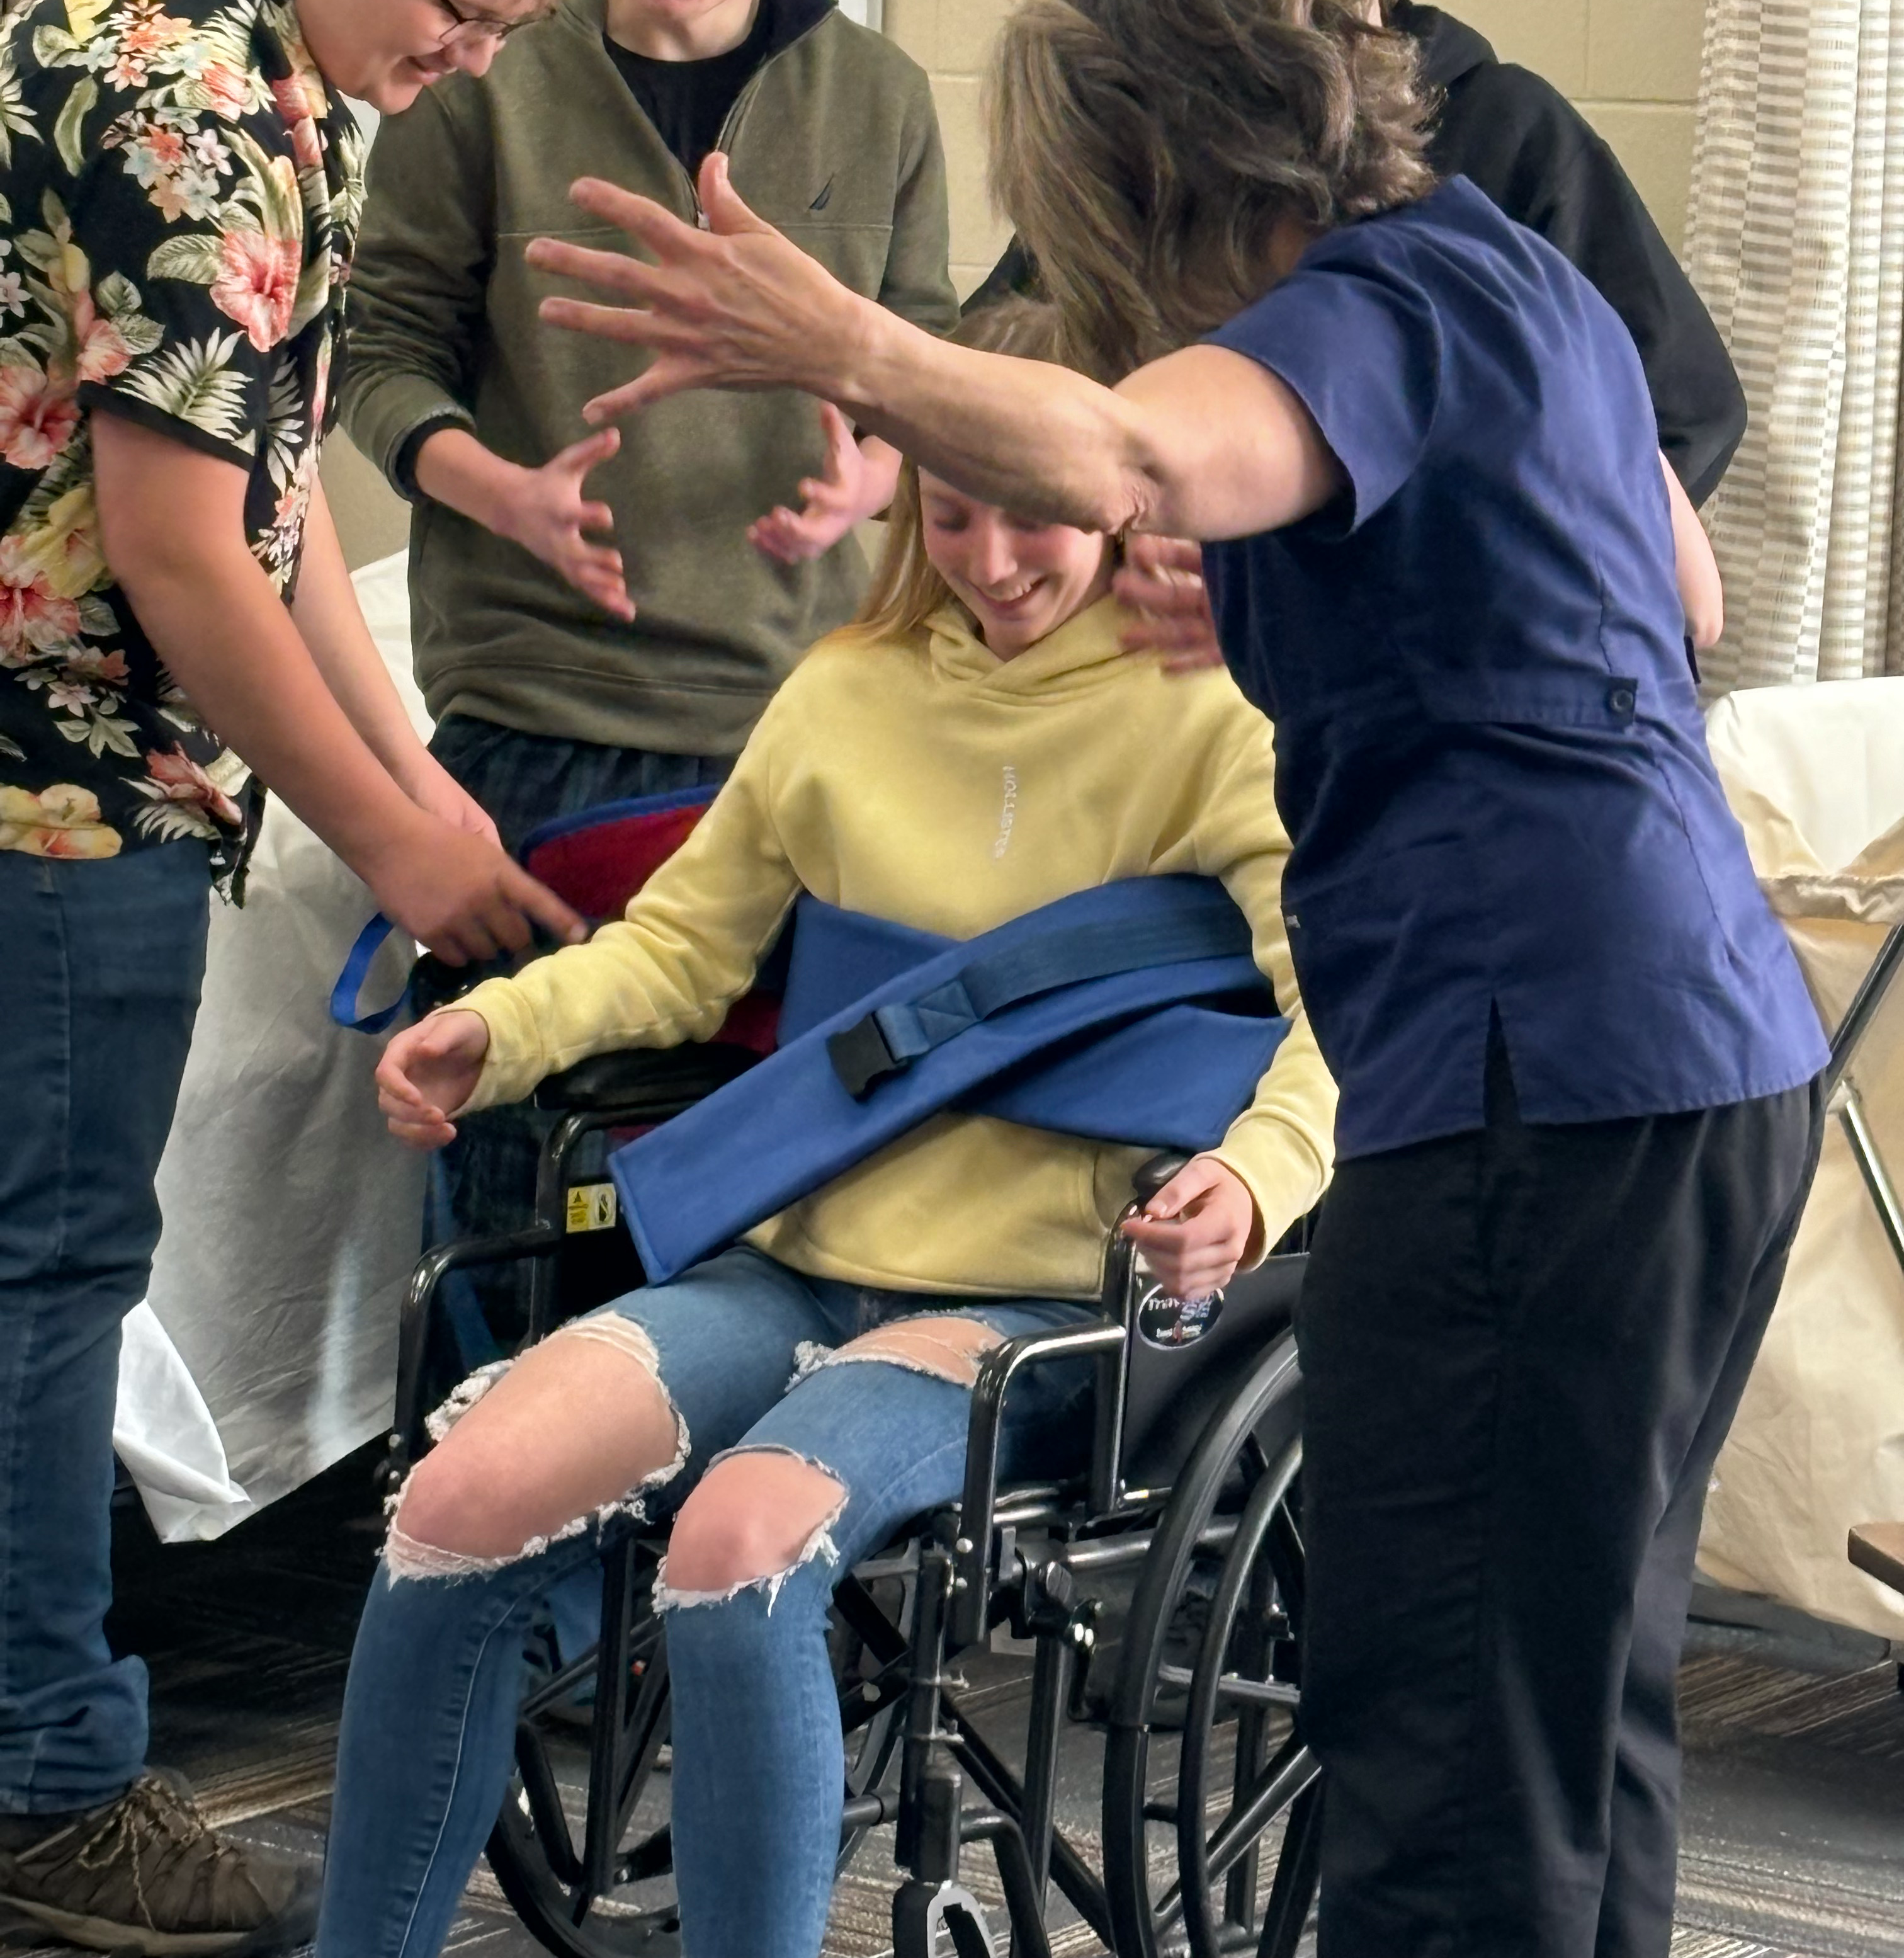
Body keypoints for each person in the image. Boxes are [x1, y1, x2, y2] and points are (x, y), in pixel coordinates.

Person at [526, 0, 1830, 1958]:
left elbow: (1131, 445)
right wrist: (1334, 582)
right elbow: (1668, 597)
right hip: (1711, 1058)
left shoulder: (1353, 307)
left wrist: (847, 346)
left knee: (1434, 1735)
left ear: (1138, 168)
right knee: (1574, 1714)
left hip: (1531, 1076)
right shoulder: (1512, 270)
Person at [312, 300, 1335, 1958]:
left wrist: (1256, 1175)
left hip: (1035, 1314)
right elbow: (678, 953)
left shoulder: (1223, 720)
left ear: (1122, 488)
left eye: (1038, 508)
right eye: (954, 506)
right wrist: (495, 1028)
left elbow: (1338, 1024)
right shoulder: (844, 693)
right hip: (794, 1263)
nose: (996, 557)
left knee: (735, 1549)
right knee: (457, 1498)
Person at [0, 0, 595, 1957]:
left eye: (503, 40)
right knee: (53, 1281)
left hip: (89, 751)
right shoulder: (192, 113)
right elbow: (173, 558)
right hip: (52, 772)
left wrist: (417, 784)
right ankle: (51, 1780)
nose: (460, 64)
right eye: (448, 12)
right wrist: (401, 846)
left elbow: (276, 504)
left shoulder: (252, 52)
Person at [339, 0, 956, 1323]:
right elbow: (377, 354)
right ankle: (487, 1530)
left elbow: (933, 363)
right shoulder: (483, 73)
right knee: (510, 1198)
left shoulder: (878, 99)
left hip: (788, 730)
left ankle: (667, 1536)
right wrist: (500, 491)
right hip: (538, 717)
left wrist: (879, 473)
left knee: (744, 1209)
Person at [973, 0, 1747, 510]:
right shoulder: (1158, 128)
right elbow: (1009, 341)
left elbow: (1687, 405)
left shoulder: (1510, 129)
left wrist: (1547, 560)